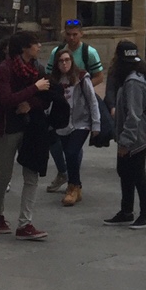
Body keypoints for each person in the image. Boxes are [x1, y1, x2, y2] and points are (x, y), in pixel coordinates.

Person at [0, 31, 53, 241]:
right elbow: (6, 100)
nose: (39, 47)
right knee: (5, 174)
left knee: (31, 176)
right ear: (24, 48)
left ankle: (25, 224)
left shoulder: (38, 68)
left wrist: (29, 104)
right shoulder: (4, 69)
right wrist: (34, 88)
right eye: (35, 43)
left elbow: (46, 99)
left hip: (31, 127)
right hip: (7, 127)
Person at [105, 41, 146, 229]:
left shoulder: (133, 82)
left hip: (137, 137)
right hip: (136, 134)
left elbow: (133, 115)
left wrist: (125, 142)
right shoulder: (135, 77)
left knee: (137, 174)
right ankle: (126, 211)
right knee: (125, 171)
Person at [50, 48, 97, 207]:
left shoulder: (82, 77)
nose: (64, 64)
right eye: (61, 61)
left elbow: (92, 101)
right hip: (63, 122)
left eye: (67, 60)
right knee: (69, 154)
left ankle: (73, 186)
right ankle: (76, 187)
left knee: (72, 152)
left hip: (81, 122)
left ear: (72, 61)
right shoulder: (54, 80)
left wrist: (96, 124)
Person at [50, 20, 105, 92]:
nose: (71, 37)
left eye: (75, 34)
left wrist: (83, 89)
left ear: (81, 34)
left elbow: (99, 77)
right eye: (68, 34)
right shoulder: (56, 52)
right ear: (64, 34)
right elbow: (49, 74)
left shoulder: (90, 52)